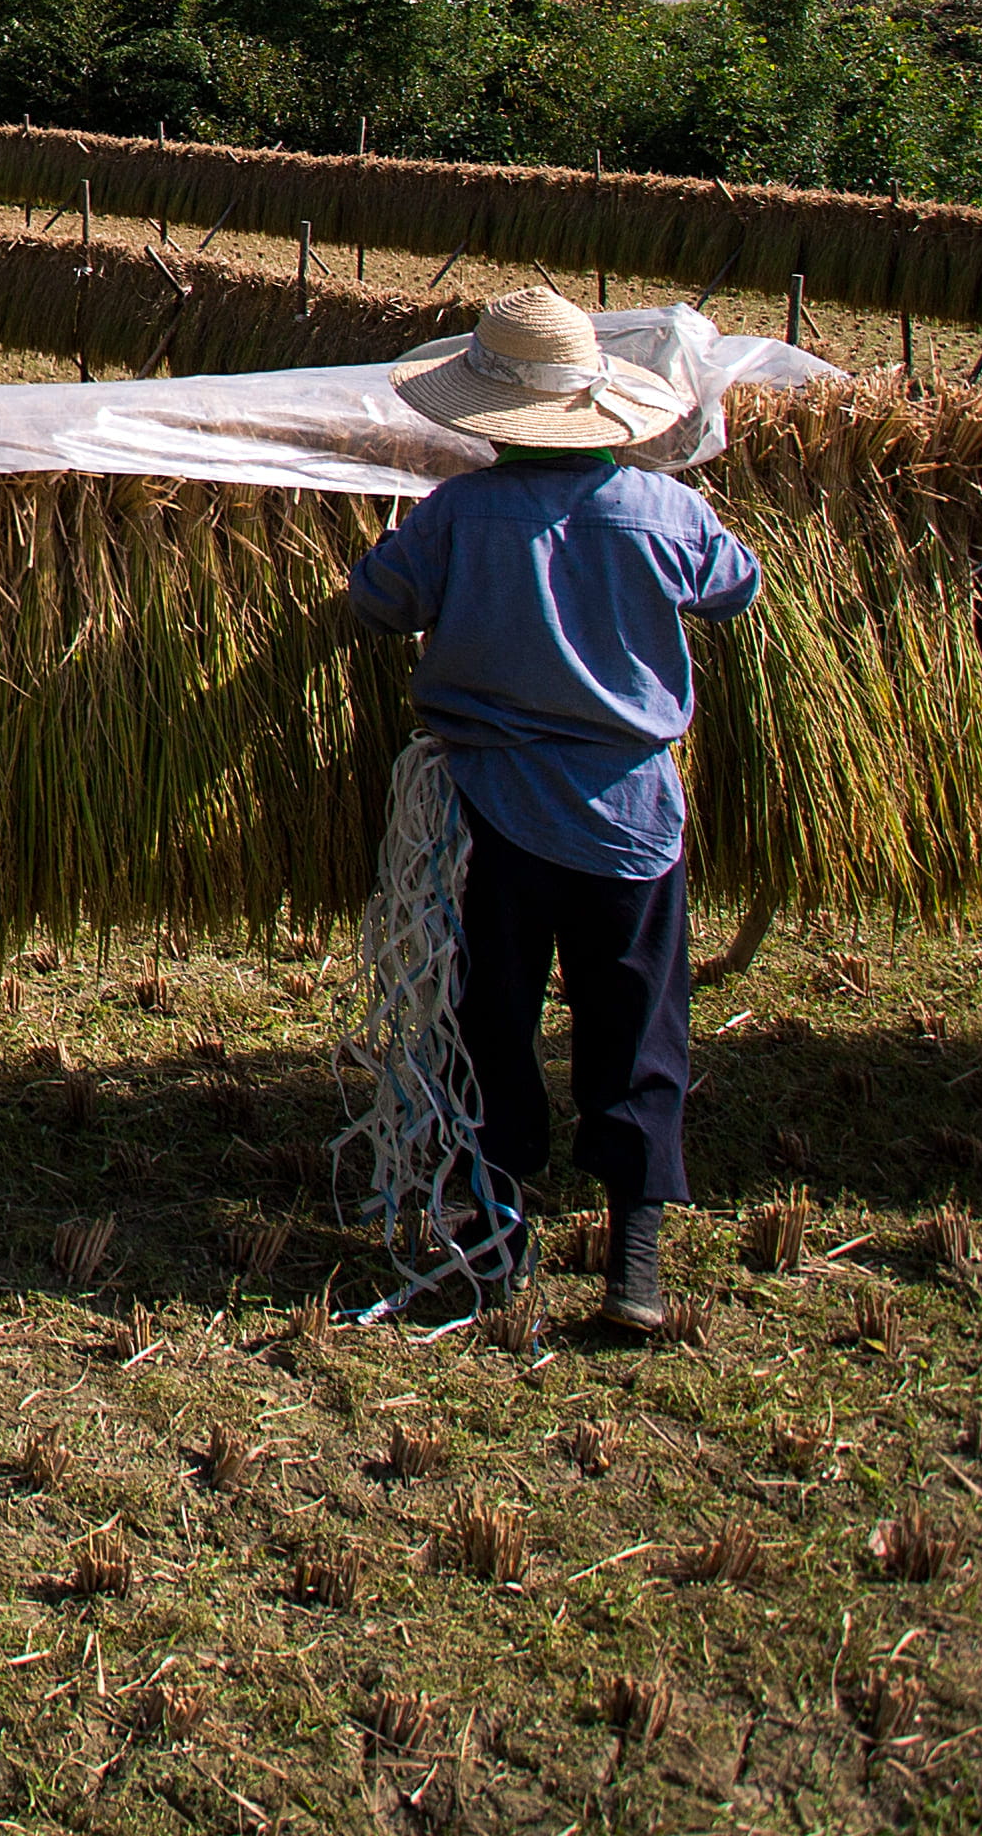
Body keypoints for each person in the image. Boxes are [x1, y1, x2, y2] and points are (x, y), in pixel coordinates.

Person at [346, 285, 760, 1331]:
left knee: (492, 1020)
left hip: (496, 819)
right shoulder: (665, 509)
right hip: (633, 823)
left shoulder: (457, 515)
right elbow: (734, 586)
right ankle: (636, 1266)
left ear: (487, 414)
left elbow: (376, 602)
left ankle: (493, 1237)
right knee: (636, 1029)